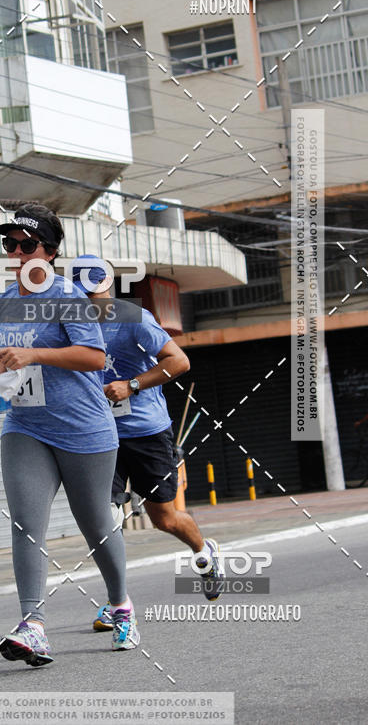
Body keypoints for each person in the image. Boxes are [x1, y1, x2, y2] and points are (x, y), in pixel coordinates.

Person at [0, 205, 140, 667]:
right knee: (26, 523)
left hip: (83, 428)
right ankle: (32, 626)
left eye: (26, 244)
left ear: (49, 252)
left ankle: (121, 604)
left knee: (95, 524)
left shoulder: (68, 295)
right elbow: (7, 352)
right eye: (9, 244)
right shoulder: (6, 298)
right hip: (26, 425)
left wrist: (35, 354)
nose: (15, 252)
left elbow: (93, 357)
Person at [68, 255, 224, 633]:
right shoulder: (71, 324)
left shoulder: (132, 319)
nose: (89, 300)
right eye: (81, 293)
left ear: (107, 287)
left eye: (94, 291)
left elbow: (179, 361)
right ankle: (116, 601)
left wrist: (132, 384)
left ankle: (205, 554)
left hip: (146, 431)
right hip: (101, 435)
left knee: (163, 518)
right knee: (103, 519)